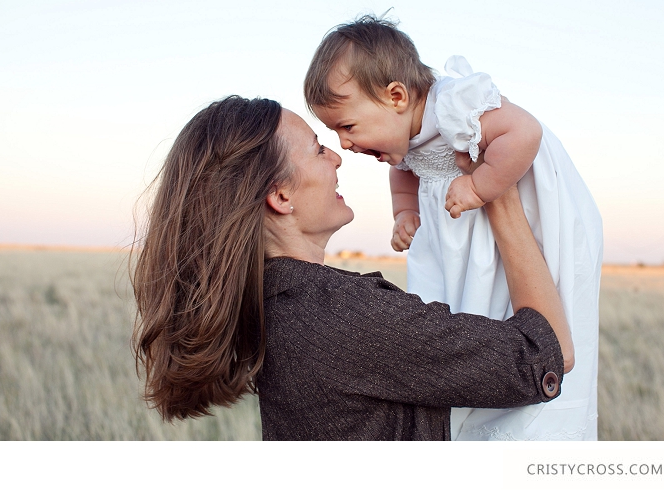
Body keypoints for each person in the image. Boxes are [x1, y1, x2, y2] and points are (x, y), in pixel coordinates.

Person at [131, 95, 572, 441]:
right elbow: (544, 355)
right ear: (280, 197)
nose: (338, 156)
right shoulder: (342, 317)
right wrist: (500, 195)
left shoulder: (272, 308)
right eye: (318, 149)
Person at [304, 15, 603, 440]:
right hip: (463, 228)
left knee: (514, 297)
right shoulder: (403, 138)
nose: (344, 144)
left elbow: (524, 132)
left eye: (346, 126)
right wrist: (405, 213)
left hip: (514, 202)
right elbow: (405, 172)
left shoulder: (454, 103)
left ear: (396, 96)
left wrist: (481, 187)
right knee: (466, 312)